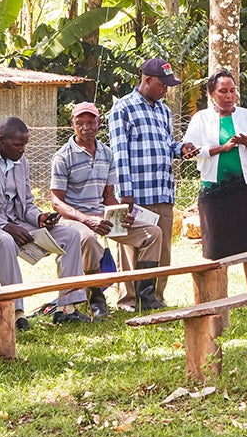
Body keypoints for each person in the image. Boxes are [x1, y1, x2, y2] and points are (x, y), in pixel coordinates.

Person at [0, 117, 86, 325]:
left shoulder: (21, 162)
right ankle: (17, 313)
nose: (22, 150)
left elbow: (27, 202)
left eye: (25, 145)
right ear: (1, 140)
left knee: (71, 235)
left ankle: (66, 307)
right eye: (18, 145)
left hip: (19, 222)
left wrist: (40, 217)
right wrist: (6, 226)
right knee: (6, 241)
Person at [50, 102, 165, 318]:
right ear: (72, 125)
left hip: (101, 215)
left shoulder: (106, 153)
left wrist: (122, 214)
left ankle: (146, 298)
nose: (86, 127)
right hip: (73, 217)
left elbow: (108, 196)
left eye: (91, 122)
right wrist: (87, 220)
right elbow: (57, 202)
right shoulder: (63, 156)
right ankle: (96, 300)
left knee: (152, 234)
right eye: (80, 122)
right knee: (88, 240)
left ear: (99, 123)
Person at [185, 70, 247, 287]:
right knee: (216, 245)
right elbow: (190, 151)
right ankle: (218, 293)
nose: (229, 96)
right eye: (223, 91)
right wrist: (219, 149)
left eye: (232, 91)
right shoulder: (201, 119)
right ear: (211, 94)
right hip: (215, 189)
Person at [110, 59, 184, 310]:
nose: (166, 89)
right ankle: (128, 299)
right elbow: (119, 153)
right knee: (131, 247)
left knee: (162, 248)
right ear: (147, 80)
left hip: (161, 189)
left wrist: (181, 149)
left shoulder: (164, 110)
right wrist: (125, 193)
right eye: (163, 85)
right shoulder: (123, 108)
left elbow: (168, 144)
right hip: (136, 193)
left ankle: (154, 297)